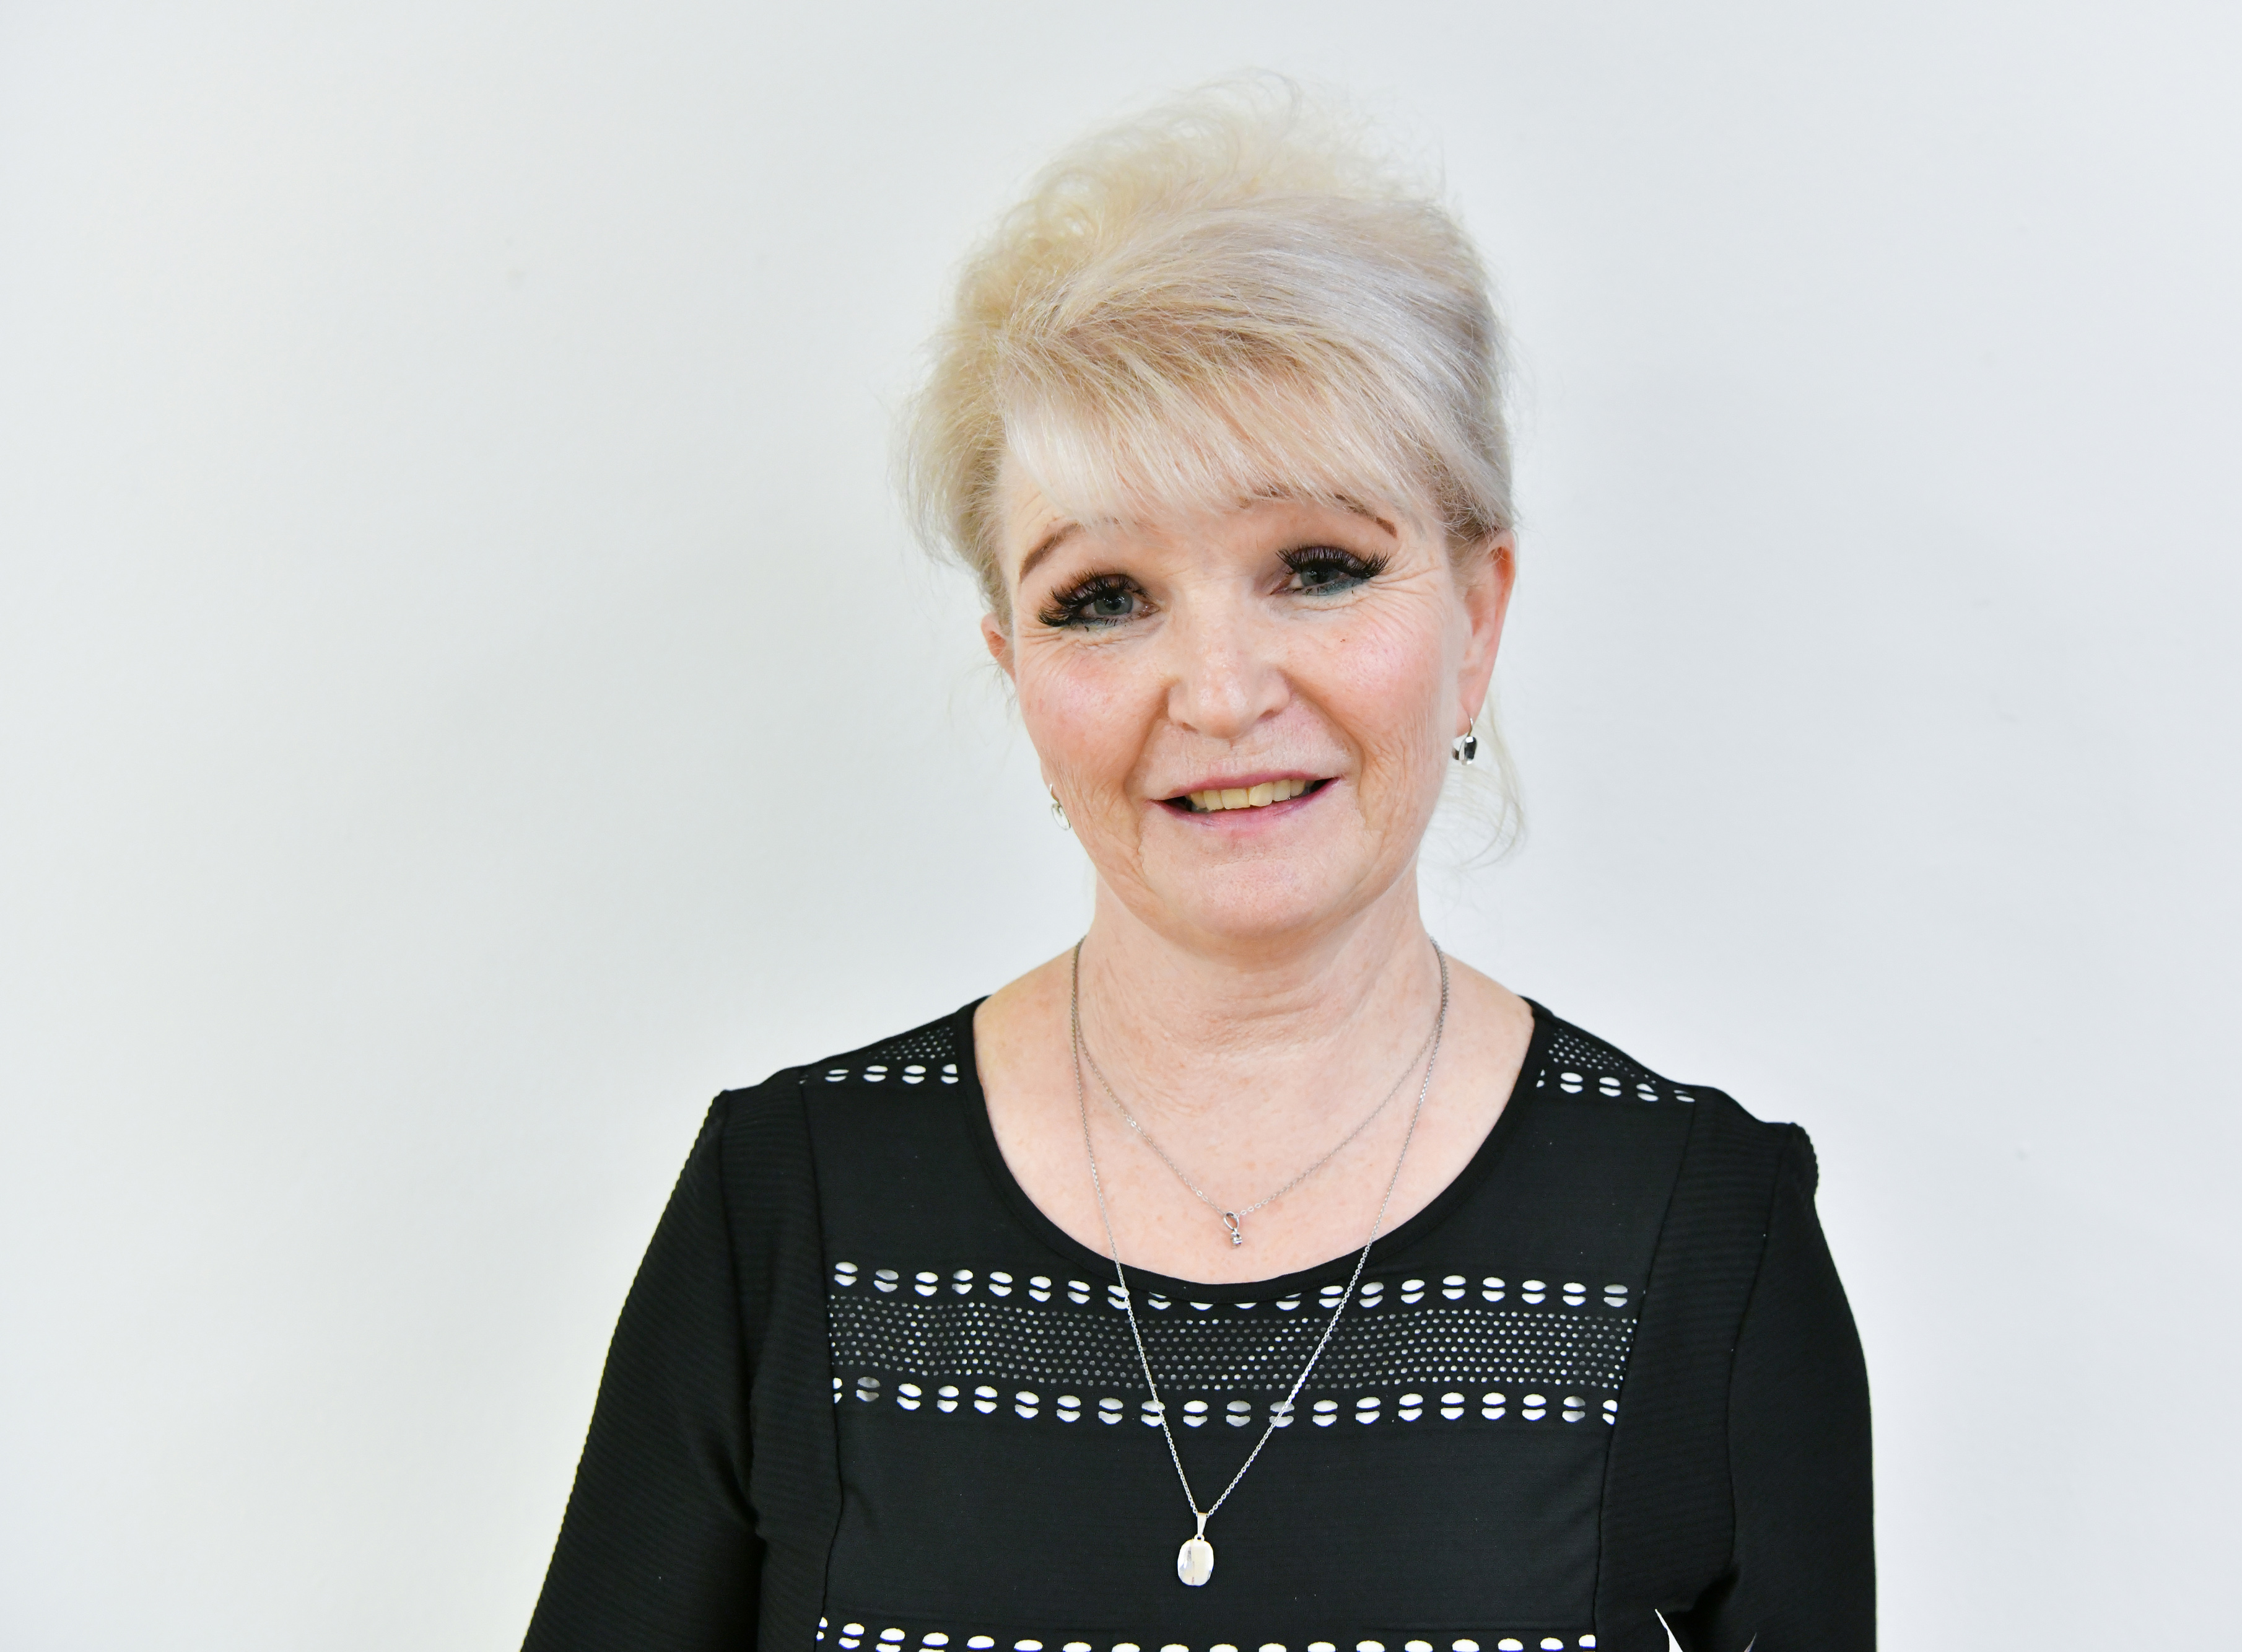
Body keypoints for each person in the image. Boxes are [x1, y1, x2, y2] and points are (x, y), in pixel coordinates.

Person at [523, 79, 1871, 1652]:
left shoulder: (1705, 1234)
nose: (1220, 693)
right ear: (1016, 666)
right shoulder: (785, 1211)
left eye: (1318, 566)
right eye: (1102, 596)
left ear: (1474, 619)